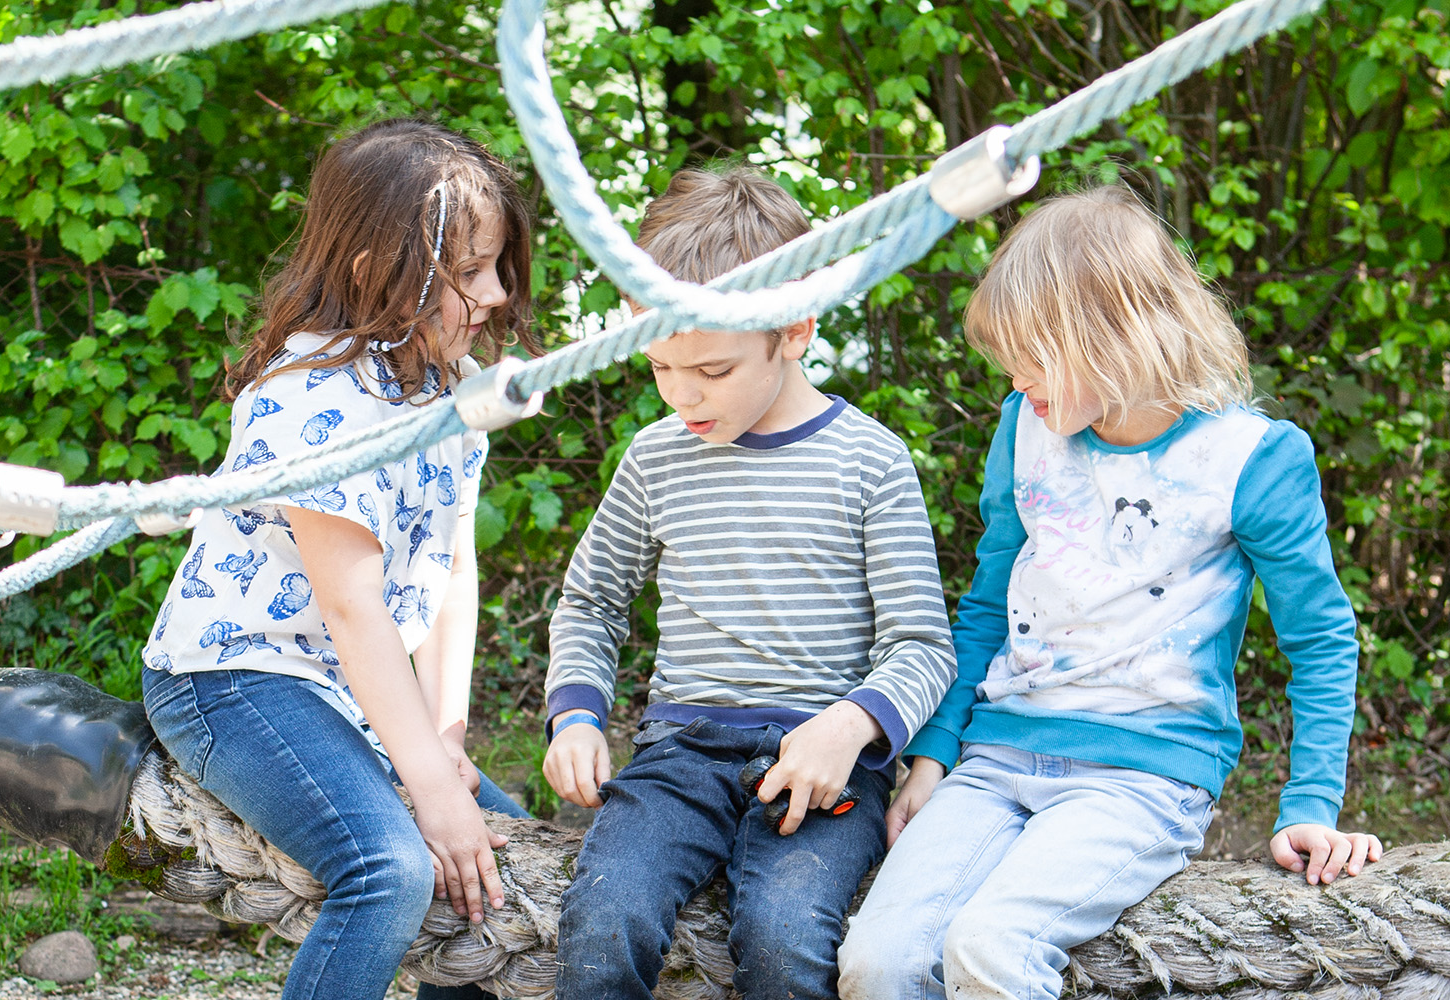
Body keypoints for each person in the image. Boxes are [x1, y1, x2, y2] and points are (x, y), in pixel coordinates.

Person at [836, 185, 1386, 1000]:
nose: (1019, 382)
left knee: (990, 947)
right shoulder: (1025, 428)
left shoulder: (1251, 459)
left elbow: (1322, 639)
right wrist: (935, 750)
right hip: (995, 760)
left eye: (1034, 356)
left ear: (1114, 333)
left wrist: (1308, 803)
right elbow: (989, 602)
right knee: (876, 961)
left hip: (1142, 774)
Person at [138, 118, 541, 1000]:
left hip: (348, 690)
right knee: (390, 868)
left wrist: (445, 743)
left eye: (498, 267)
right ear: (377, 279)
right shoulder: (312, 395)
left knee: (504, 862)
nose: (498, 294)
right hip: (234, 680)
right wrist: (427, 789)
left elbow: (451, 569)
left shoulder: (444, 386)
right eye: (470, 274)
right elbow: (356, 608)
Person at [541, 163, 958, 1000]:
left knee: (782, 939)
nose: (683, 394)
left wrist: (849, 729)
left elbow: (921, 645)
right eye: (660, 367)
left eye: (714, 371)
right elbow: (591, 599)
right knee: (604, 920)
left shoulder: (870, 461)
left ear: (794, 330)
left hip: (825, 763)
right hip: (682, 753)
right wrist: (576, 714)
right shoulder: (656, 456)